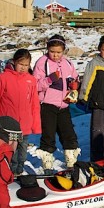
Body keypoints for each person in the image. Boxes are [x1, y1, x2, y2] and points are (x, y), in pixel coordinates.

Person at [33, 34, 80, 173]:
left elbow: (75, 77)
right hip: (48, 105)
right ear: (48, 49)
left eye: (58, 52)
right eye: (52, 52)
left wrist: (74, 85)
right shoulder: (42, 62)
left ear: (63, 51)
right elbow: (35, 85)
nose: (55, 55)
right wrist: (49, 80)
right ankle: (47, 164)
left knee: (68, 133)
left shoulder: (68, 63)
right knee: (49, 135)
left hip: (64, 105)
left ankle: (71, 161)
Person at [0, 49, 41, 176]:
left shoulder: (31, 80)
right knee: (11, 149)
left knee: (23, 149)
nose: (23, 68)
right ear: (14, 62)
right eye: (21, 64)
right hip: (9, 124)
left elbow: (35, 103)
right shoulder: (4, 77)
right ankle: (11, 170)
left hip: (25, 122)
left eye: (26, 65)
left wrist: (35, 124)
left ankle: (20, 169)